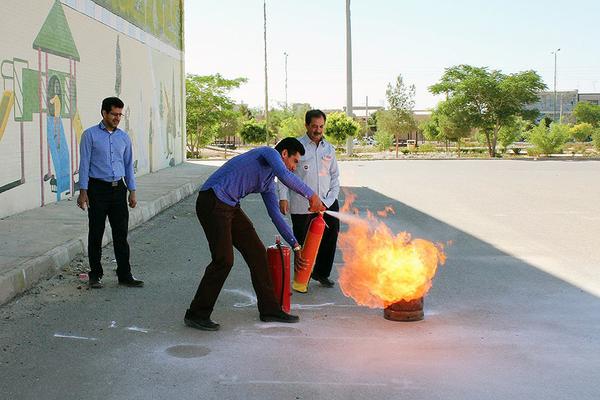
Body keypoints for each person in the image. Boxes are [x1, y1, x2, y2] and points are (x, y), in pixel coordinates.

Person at [185, 137, 325, 331]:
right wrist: (312, 195)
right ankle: (196, 313)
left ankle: (270, 310)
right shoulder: (267, 153)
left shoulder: (268, 182)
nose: (295, 168)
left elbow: (276, 215)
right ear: (284, 154)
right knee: (223, 260)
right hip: (212, 201)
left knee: (258, 253)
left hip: (230, 206)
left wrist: (295, 245)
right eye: (295, 161)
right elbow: (285, 174)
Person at [77, 97, 143, 289]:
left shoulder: (123, 137)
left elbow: (129, 165)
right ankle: (95, 275)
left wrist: (132, 191)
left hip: (118, 190)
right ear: (104, 113)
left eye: (120, 114)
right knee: (96, 233)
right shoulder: (89, 135)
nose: (117, 118)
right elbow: (84, 165)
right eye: (114, 114)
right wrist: (83, 192)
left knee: (121, 234)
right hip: (97, 190)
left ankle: (125, 275)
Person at [278, 109, 340, 289]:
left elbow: (335, 177)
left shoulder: (329, 149)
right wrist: (283, 197)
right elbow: (284, 173)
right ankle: (300, 279)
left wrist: (327, 202)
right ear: (306, 125)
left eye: (321, 126)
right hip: (302, 204)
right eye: (314, 126)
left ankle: (321, 273)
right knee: (302, 243)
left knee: (330, 237)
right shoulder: (296, 146)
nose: (318, 130)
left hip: (327, 202)